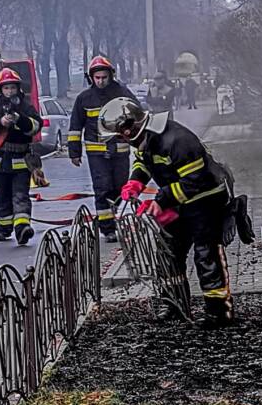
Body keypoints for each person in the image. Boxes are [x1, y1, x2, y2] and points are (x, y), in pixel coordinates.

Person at [104, 97, 236, 329]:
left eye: (118, 136)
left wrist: (161, 201)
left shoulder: (178, 140)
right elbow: (143, 163)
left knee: (206, 254)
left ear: (129, 129)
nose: (118, 141)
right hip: (179, 201)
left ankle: (218, 312)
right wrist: (135, 183)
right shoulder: (146, 139)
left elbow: (196, 181)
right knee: (168, 252)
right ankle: (173, 303)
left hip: (206, 200)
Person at [68, 56, 137, 242]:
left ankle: (112, 209)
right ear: (91, 77)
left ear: (111, 76)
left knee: (120, 186)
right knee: (102, 187)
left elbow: (137, 117)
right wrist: (74, 152)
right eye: (97, 78)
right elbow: (75, 127)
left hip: (120, 150)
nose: (100, 81)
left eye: (104, 77)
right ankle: (108, 229)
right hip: (96, 151)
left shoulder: (123, 93)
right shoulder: (84, 98)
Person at [0, 68, 42, 245]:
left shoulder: (26, 107)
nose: (9, 92)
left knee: (21, 195)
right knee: (2, 196)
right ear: (1, 90)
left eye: (12, 88)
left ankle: (22, 229)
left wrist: (19, 120)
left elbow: (35, 127)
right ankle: (4, 229)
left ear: (18, 88)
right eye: (6, 88)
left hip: (21, 161)